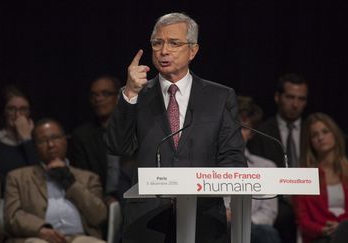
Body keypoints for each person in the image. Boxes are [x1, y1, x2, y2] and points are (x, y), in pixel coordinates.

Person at [105, 12, 246, 243]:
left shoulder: (219, 96)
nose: (163, 51)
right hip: (147, 219)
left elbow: (233, 157)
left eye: (174, 43)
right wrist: (129, 94)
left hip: (204, 217)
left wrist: (218, 193)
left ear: (193, 50)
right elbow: (117, 147)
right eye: (157, 43)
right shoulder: (137, 95)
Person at [3, 118, 107, 243]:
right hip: (38, 237)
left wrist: (70, 182)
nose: (51, 145)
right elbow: (12, 217)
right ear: (35, 147)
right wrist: (40, 229)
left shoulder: (88, 178)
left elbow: (99, 216)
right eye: (43, 141)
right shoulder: (17, 178)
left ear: (65, 141)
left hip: (79, 238)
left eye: (55, 138)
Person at [247, 73, 308, 243]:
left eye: (301, 99)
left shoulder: (314, 130)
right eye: (290, 97)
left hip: (310, 200)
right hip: (278, 202)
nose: (295, 104)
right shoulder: (261, 132)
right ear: (277, 97)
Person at [294, 112, 348, 243]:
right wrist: (322, 229)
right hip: (320, 237)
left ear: (335, 134)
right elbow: (302, 219)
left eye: (325, 132)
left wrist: (343, 228)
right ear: (310, 142)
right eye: (314, 135)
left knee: (347, 229)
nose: (320, 137)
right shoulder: (303, 176)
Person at [225, 96, 280, 243]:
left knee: (266, 233)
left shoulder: (267, 167)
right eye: (232, 126)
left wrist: (239, 219)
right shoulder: (205, 164)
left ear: (252, 133)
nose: (235, 133)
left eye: (242, 127)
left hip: (252, 229)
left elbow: (268, 214)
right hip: (217, 226)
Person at [69, 75, 131, 203]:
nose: (99, 99)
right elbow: (83, 177)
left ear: (118, 97)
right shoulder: (82, 136)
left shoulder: (134, 129)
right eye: (94, 95)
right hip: (97, 202)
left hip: (132, 197)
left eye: (105, 94)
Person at [0, 85, 39, 195]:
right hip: (2, 202)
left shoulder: (37, 142)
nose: (17, 114)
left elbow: (39, 177)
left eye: (23, 109)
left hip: (34, 200)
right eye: (12, 109)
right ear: (4, 112)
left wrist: (27, 140)